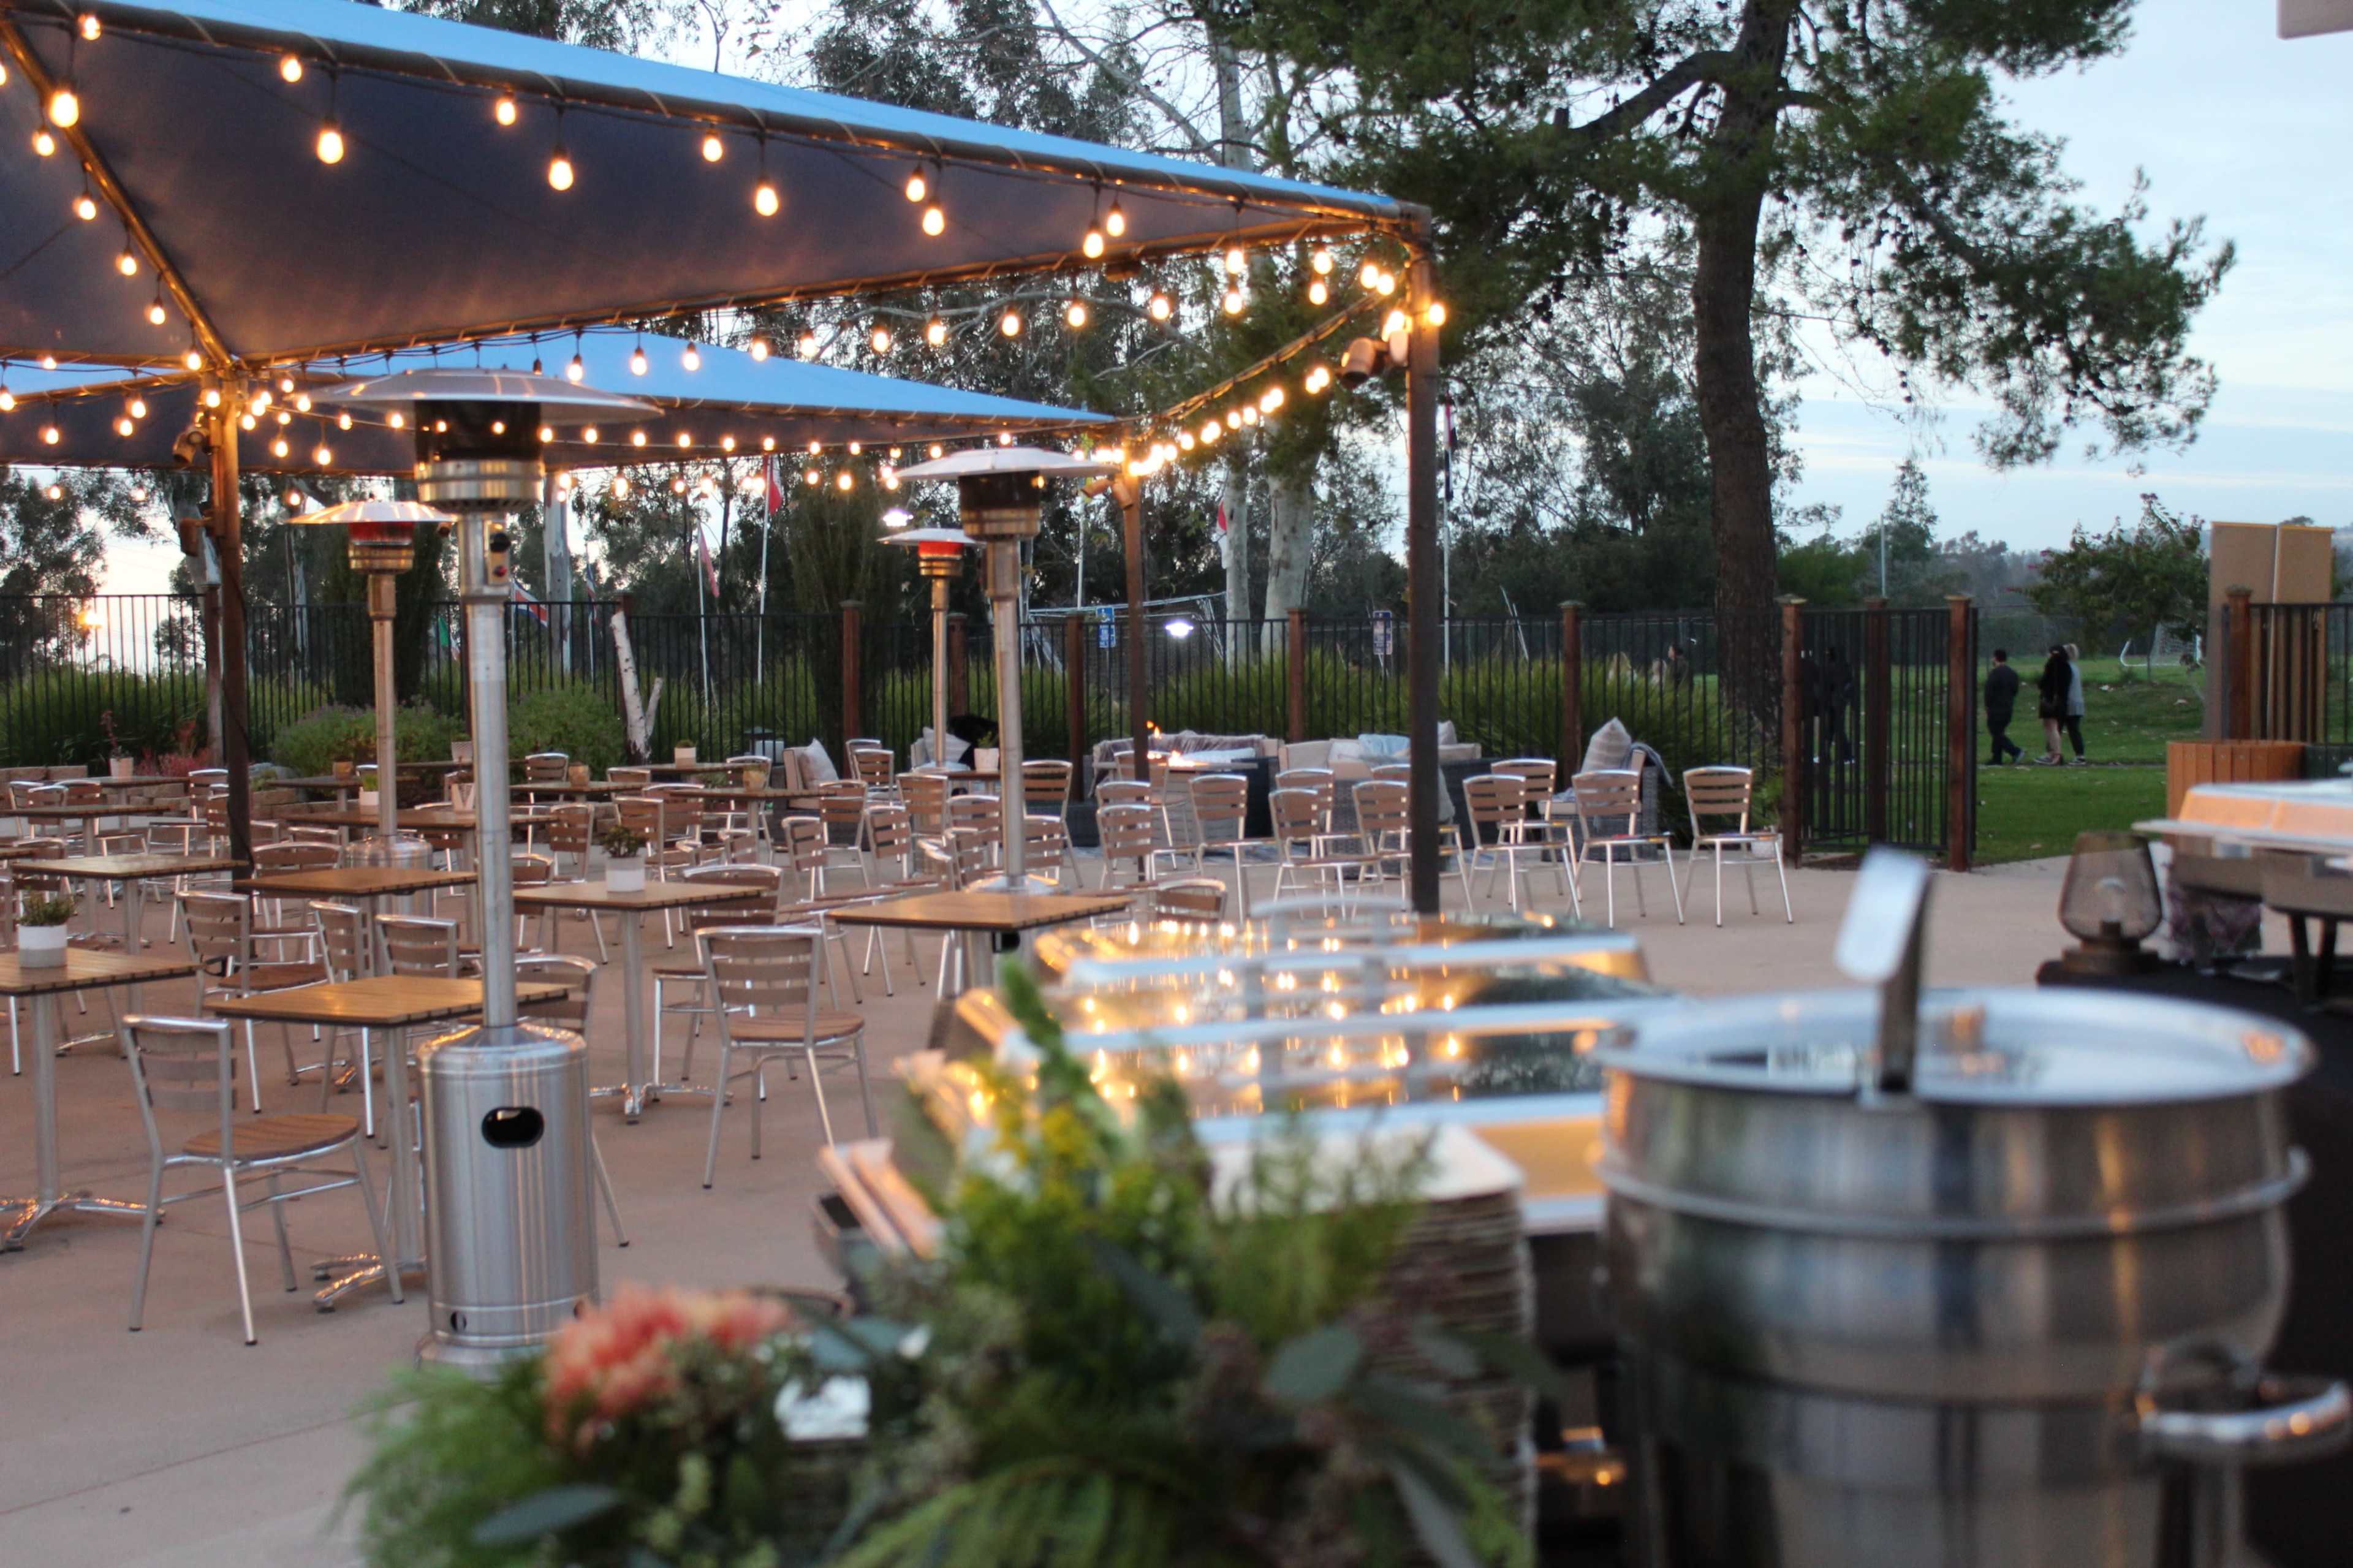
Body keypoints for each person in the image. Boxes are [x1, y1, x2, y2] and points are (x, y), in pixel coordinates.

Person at [1984, 650, 2023, 764]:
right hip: (2008, 708)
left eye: (1993, 658)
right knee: (1999, 732)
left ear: (1995, 658)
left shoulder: (1995, 673)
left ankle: (2015, 751)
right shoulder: (2012, 673)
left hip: (1996, 708)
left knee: (1995, 732)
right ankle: (1997, 759)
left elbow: (1989, 691)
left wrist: (1987, 706)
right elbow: (2015, 690)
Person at [2036, 644, 2072, 764]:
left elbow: (2042, 682)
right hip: (2061, 701)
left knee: (2051, 727)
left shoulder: (2051, 665)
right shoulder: (2067, 667)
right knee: (2053, 726)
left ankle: (2056, 753)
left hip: (2049, 700)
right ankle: (2054, 753)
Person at [2063, 642, 2088, 765]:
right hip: (2077, 702)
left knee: (2059, 729)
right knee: (2074, 730)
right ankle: (2079, 755)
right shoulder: (2075, 667)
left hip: (2069, 703)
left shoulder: (2066, 668)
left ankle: (2055, 753)